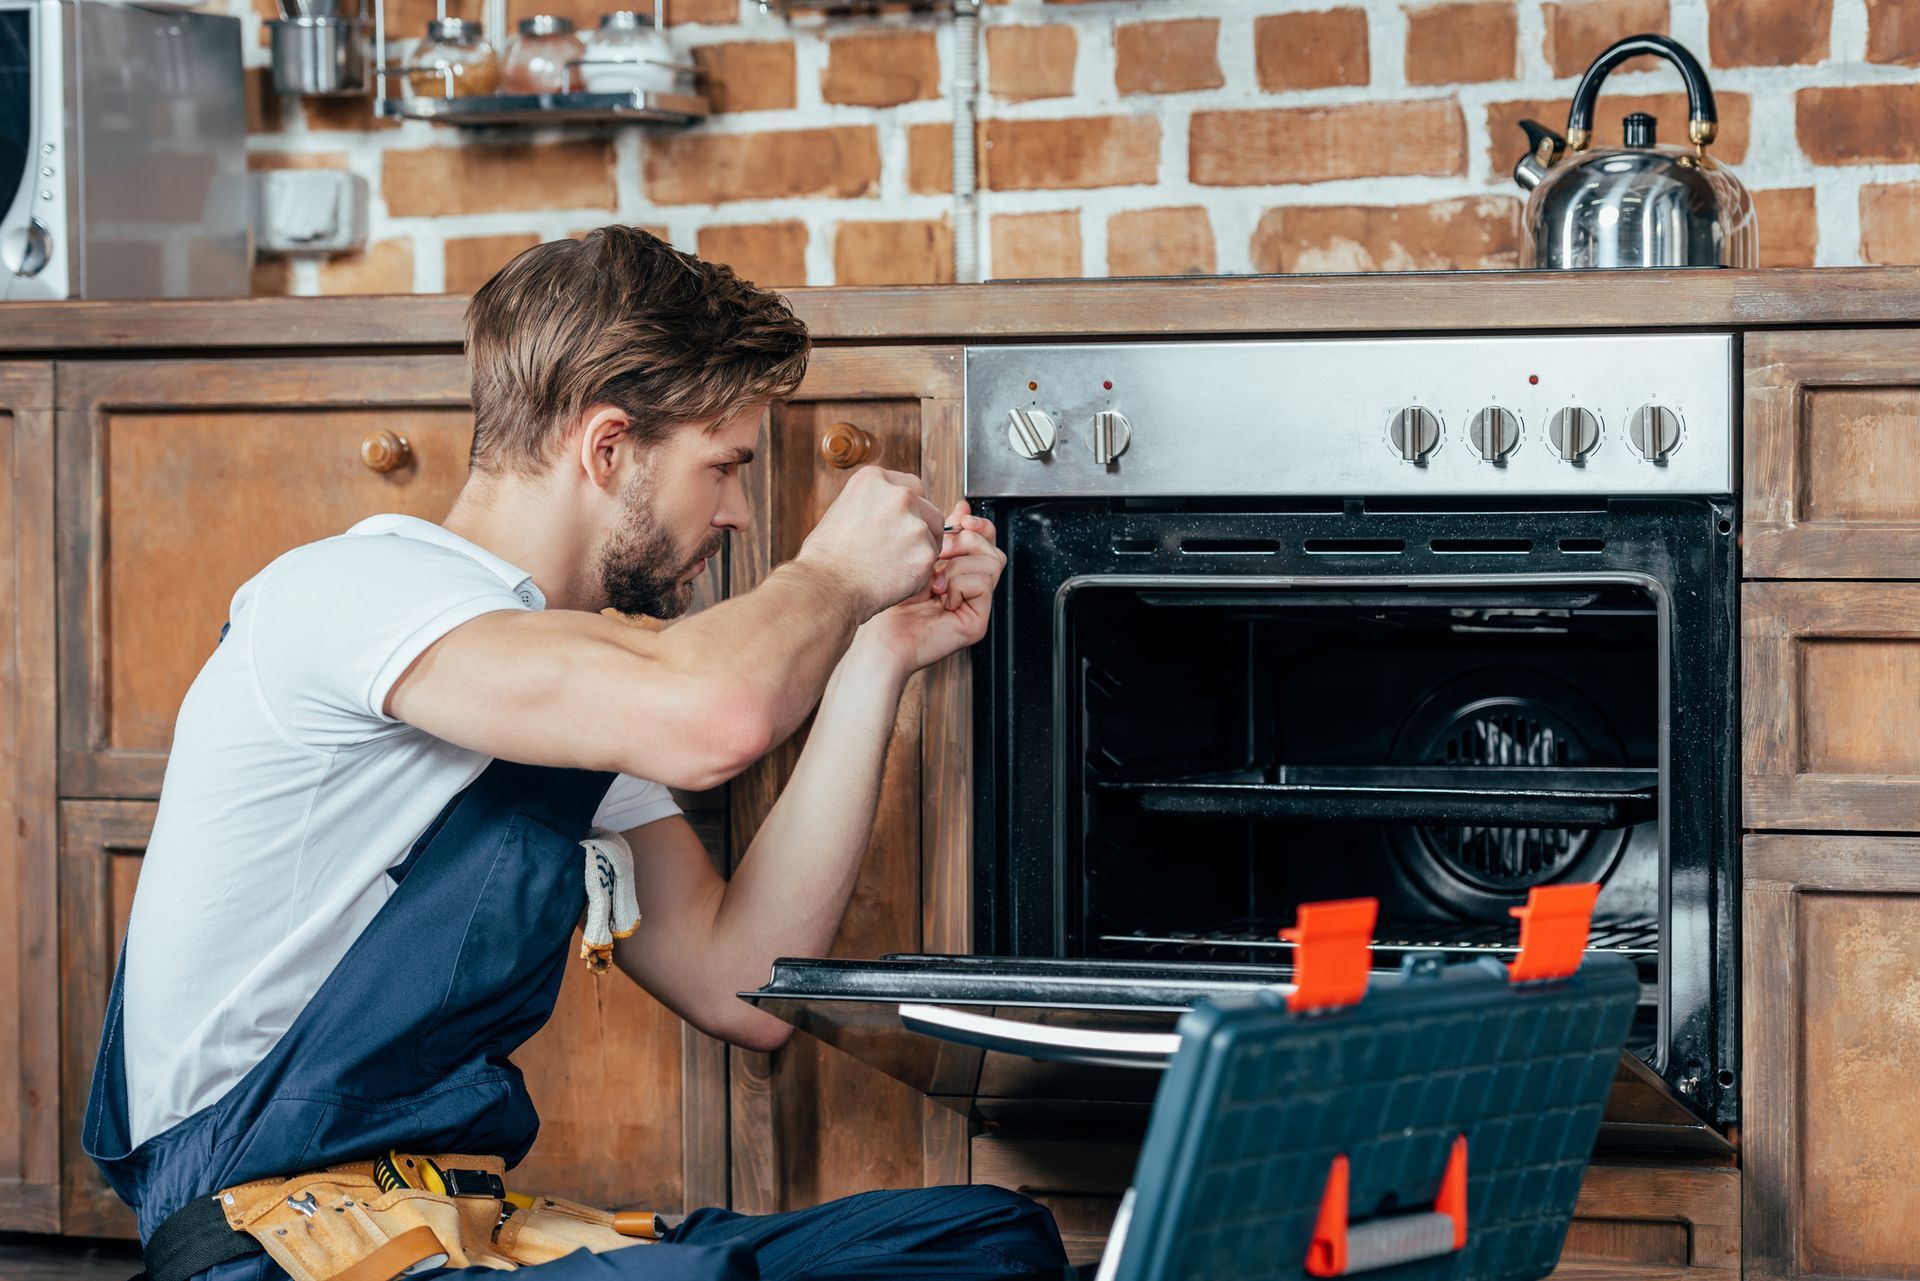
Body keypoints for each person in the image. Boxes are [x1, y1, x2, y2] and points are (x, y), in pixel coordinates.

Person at [82, 226, 1065, 1281]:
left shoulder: (584, 690)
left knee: (986, 1238)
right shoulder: (352, 595)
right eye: (724, 466)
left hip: (457, 1231)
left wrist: (879, 655)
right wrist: (832, 576)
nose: (737, 512)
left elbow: (741, 986)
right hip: (272, 1245)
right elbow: (716, 717)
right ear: (608, 449)